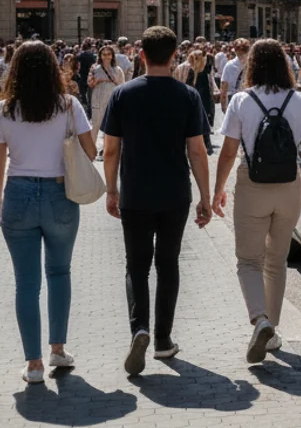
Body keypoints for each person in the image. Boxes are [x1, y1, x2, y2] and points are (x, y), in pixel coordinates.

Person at [101, 27, 212, 376]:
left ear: (141, 55)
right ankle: (163, 340)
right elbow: (197, 150)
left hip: (135, 192)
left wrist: (111, 189)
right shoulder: (188, 96)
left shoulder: (122, 94)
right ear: (175, 55)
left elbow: (111, 149)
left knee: (136, 266)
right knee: (168, 264)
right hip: (175, 192)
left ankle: (140, 330)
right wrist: (206, 197)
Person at [0, 41, 95, 384]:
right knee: (59, 273)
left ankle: (33, 364)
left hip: (18, 191)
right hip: (60, 193)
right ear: (53, 69)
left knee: (26, 283)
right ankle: (57, 349)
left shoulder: (3, 110)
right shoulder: (68, 105)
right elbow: (91, 152)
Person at [211, 40, 301, 363]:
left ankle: (260, 319)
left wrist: (217, 190)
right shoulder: (299, 100)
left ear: (252, 66)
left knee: (249, 261)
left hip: (252, 185)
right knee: (277, 261)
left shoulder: (241, 101)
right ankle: (272, 331)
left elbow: (229, 151)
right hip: (289, 186)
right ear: (284, 65)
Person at [87, 45, 124, 151]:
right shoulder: (95, 68)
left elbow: (121, 85)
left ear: (112, 56)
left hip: (112, 98)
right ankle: (90, 150)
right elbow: (90, 83)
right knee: (96, 124)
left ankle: (108, 150)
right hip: (98, 98)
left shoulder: (118, 69)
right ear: (100, 56)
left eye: (109, 54)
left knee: (112, 125)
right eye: (104, 54)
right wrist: (100, 79)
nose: (106, 57)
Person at [185, 51, 218, 155]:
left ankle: (204, 144)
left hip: (201, 102)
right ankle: (204, 144)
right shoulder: (196, 72)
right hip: (202, 102)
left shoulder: (200, 71)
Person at [220, 38, 251, 113]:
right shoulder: (230, 65)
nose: (241, 56)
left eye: (242, 54)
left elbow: (224, 87)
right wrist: (223, 105)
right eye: (239, 54)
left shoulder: (252, 65)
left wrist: (223, 105)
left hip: (247, 99)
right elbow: (224, 87)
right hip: (236, 99)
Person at [75, 39, 96, 117]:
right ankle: (90, 113)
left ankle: (84, 113)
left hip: (82, 78)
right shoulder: (93, 56)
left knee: (82, 96)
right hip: (91, 77)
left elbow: (77, 67)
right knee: (90, 98)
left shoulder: (79, 55)